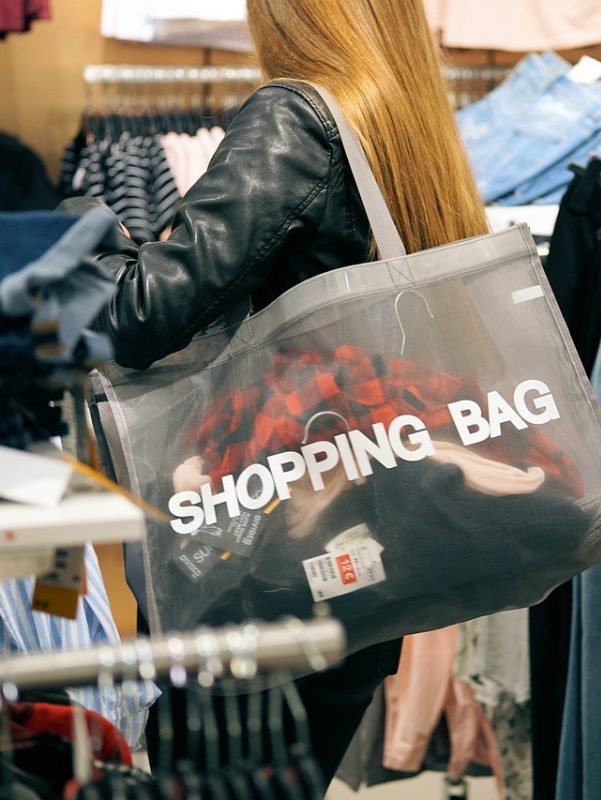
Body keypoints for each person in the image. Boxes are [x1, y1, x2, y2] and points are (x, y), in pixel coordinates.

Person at [64, 0, 489, 784]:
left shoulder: (296, 118)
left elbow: (136, 320)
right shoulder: (402, 120)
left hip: (263, 559)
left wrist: (74, 236)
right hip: (361, 554)